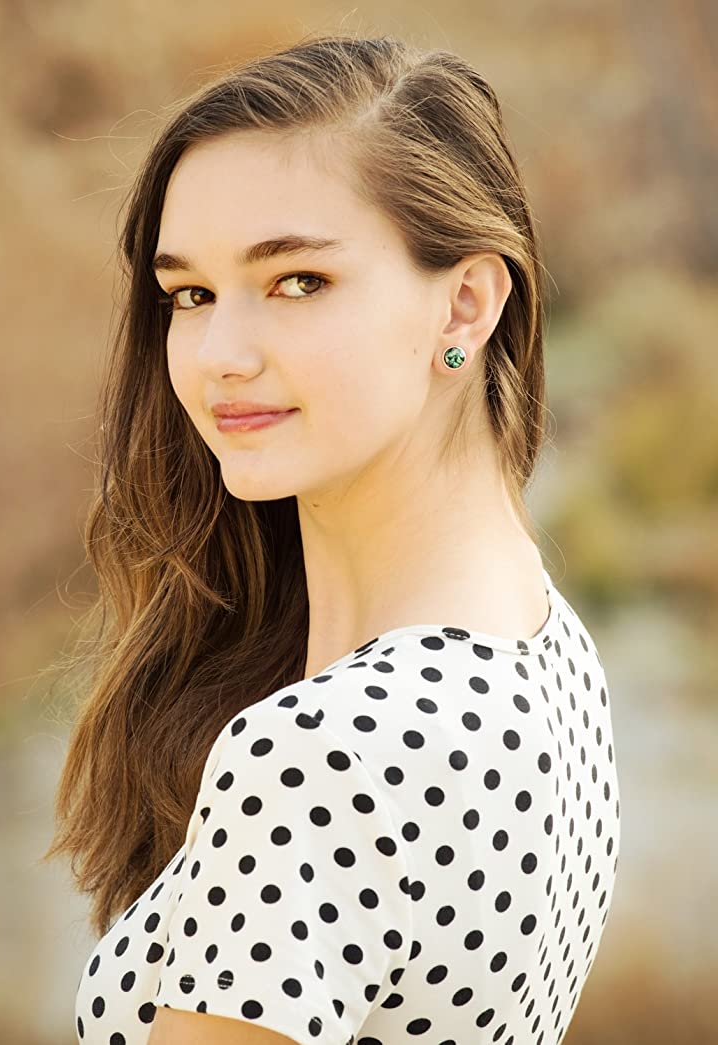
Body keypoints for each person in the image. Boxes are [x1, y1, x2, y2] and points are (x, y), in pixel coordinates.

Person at [44, 32, 622, 1045]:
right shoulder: (541, 636)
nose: (219, 355)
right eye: (190, 295)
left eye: (297, 282)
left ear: (468, 300)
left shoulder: (319, 757)